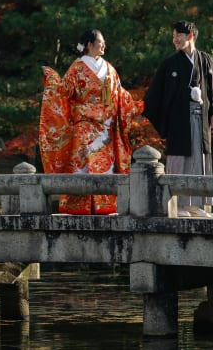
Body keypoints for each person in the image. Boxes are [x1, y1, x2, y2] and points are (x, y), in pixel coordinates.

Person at [39, 29, 143, 215]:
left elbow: (120, 95)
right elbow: (64, 92)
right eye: (100, 42)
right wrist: (53, 80)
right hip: (84, 124)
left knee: (106, 166)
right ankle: (80, 206)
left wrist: (137, 105)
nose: (104, 45)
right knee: (82, 165)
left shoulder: (109, 68)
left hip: (106, 126)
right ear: (89, 44)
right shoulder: (77, 67)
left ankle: (104, 205)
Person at [142, 21, 213, 218]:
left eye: (178, 36)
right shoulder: (170, 63)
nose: (175, 40)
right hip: (179, 119)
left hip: (201, 117)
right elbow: (156, 93)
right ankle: (177, 204)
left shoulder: (206, 60)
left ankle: (196, 204)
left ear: (190, 36)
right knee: (180, 159)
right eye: (173, 36)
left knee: (200, 158)